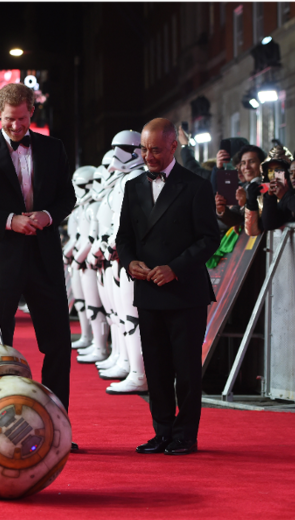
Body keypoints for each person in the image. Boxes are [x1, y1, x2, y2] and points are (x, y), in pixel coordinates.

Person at [0, 82, 78, 450]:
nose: (16, 127)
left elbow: (66, 198)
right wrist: (11, 220)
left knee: (57, 345)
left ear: (32, 114)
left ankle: (58, 429)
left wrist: (45, 214)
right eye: (10, 120)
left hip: (44, 261)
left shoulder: (53, 148)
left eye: (23, 120)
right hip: (1, 262)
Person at [116, 118, 219, 456]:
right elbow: (124, 238)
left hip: (185, 291)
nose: (149, 156)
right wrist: (130, 263)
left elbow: (209, 239)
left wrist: (174, 268)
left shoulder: (196, 186)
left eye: (156, 150)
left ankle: (186, 434)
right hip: (147, 291)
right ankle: (162, 431)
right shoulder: (133, 187)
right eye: (144, 149)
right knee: (156, 368)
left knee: (187, 369)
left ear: (174, 146)